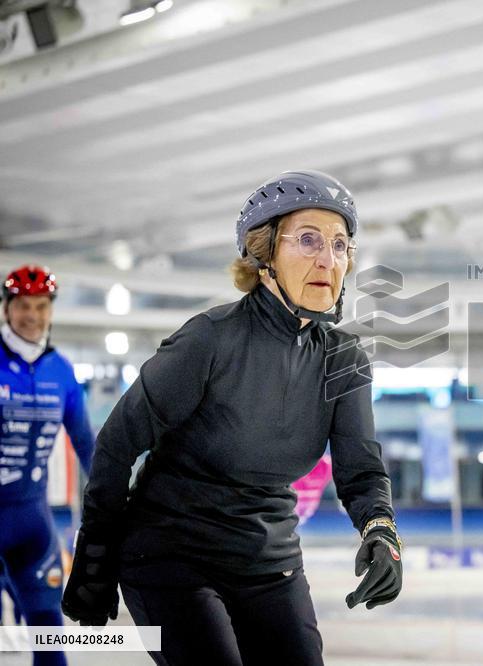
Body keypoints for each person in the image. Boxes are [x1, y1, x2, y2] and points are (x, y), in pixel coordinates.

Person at [60, 171, 403, 666]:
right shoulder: (209, 340)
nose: (328, 259)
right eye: (308, 240)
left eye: (340, 244)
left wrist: (380, 529)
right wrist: (95, 553)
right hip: (170, 554)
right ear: (263, 254)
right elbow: (117, 442)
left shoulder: (343, 360)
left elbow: (361, 470)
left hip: (268, 561)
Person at [0, 265, 95, 666]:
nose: (32, 316)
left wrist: (122, 502)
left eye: (41, 306)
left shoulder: (62, 371)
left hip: (33, 525)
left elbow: (88, 446)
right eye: (23, 305)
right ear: (7, 308)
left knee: (47, 630)